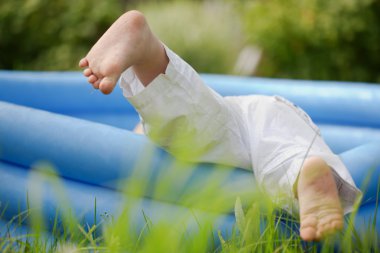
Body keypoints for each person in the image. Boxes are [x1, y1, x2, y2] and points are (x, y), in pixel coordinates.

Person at [79, 10, 361, 242]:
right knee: (279, 150)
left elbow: (164, 131)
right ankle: (306, 168)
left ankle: (148, 51)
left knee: (188, 125)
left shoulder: (152, 140)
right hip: (273, 116)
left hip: (244, 119)